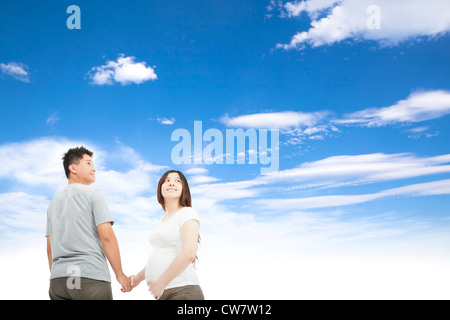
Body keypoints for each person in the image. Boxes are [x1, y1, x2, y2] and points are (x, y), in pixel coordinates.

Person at [45, 146, 132, 300]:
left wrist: (59, 274)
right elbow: (107, 237)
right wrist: (120, 275)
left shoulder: (53, 204)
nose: (94, 169)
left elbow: (49, 248)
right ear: (73, 168)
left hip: (58, 281)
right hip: (89, 278)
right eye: (88, 164)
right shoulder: (94, 193)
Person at [130, 170, 204, 300]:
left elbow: (189, 253)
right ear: (160, 189)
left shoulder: (187, 213)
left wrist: (161, 283)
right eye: (167, 180)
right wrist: (136, 279)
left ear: (184, 189)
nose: (171, 183)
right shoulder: (162, 221)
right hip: (164, 293)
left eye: (177, 181)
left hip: (183, 290)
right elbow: (162, 255)